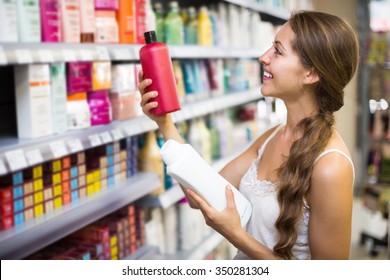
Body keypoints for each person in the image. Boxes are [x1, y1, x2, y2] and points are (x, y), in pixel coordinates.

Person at [137, 10, 359, 260]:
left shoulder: (331, 166)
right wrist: (165, 122)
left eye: (278, 50)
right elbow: (200, 197)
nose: (264, 57)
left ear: (311, 74)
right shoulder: (270, 138)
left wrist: (237, 236)